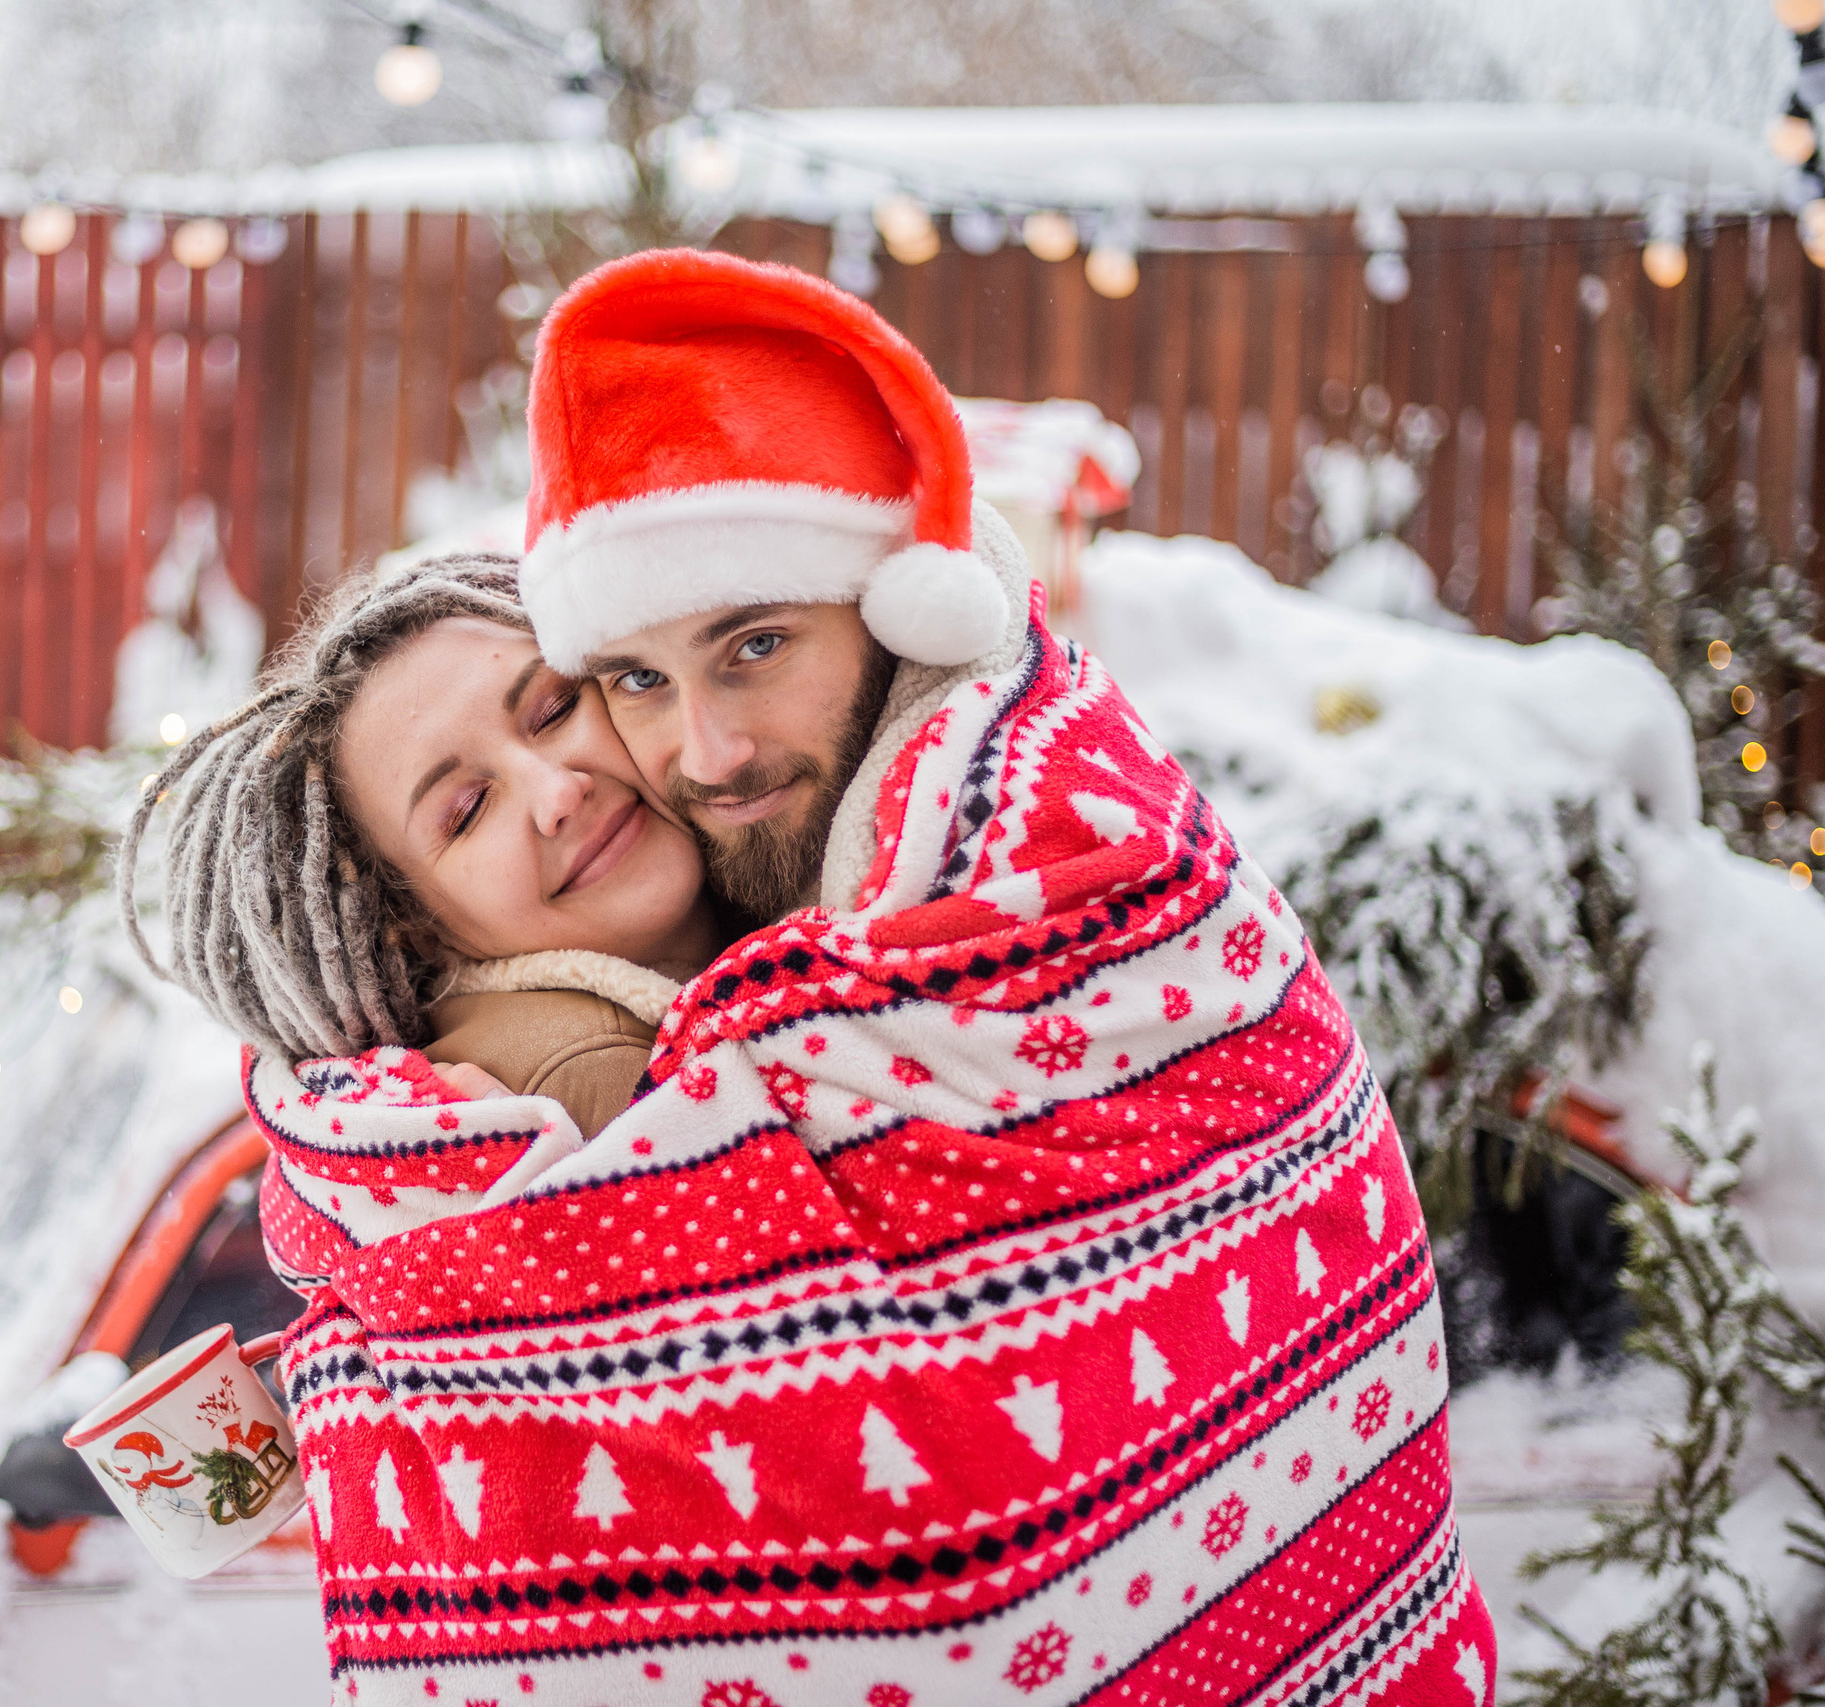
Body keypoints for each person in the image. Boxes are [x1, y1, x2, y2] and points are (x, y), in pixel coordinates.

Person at [224, 248, 1496, 1707]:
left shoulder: (1067, 866)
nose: (683, 753)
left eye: (749, 647)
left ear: (905, 610)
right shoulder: (562, 1082)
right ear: (420, 926)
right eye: (636, 677)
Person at [124, 552, 715, 1145]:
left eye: (554, 709)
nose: (558, 790)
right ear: (414, 926)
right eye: (468, 811)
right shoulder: (603, 1087)